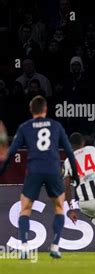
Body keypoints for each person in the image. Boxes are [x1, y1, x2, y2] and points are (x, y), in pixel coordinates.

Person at [0, 96, 79, 259]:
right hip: (53, 170)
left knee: (25, 209)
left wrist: (2, 170)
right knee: (58, 207)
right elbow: (70, 152)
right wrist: (76, 175)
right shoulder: (56, 126)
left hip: (34, 170)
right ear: (46, 110)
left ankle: (24, 247)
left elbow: (12, 152)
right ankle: (55, 246)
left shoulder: (24, 127)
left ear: (31, 110)